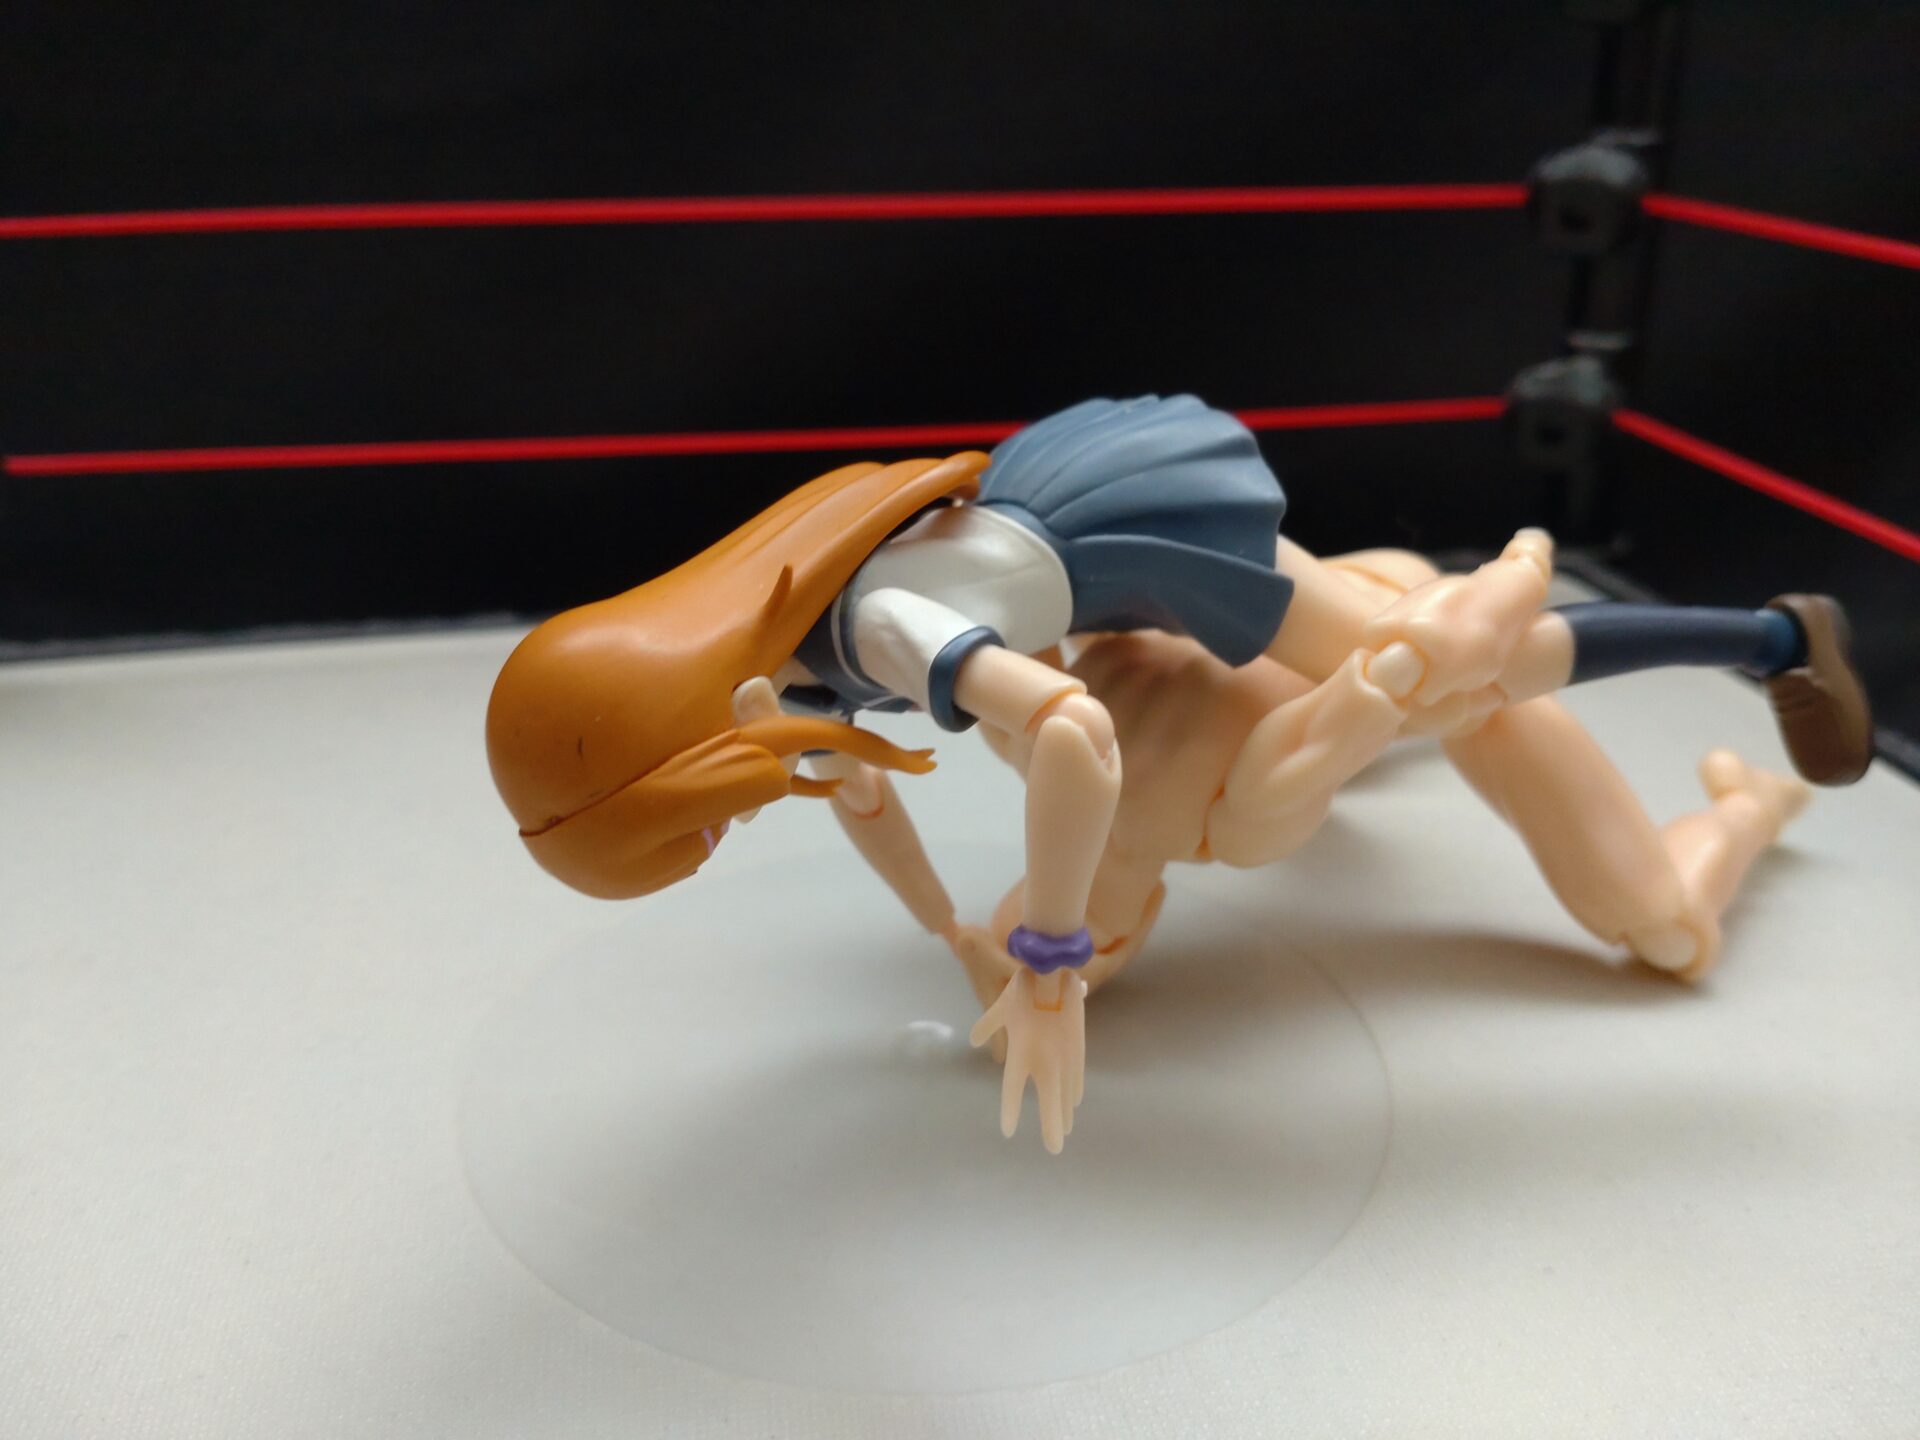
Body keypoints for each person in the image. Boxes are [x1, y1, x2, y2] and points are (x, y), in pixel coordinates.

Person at [487, 396, 1874, 1152]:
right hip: (1111, 584)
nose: (713, 838)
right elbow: (862, 789)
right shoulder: (771, 663)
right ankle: (1434, 605)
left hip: (1151, 535)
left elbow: (1072, 737)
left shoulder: (880, 631)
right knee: (1385, 661)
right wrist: (951, 929)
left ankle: (1761, 643)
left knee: (1446, 671)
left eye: (690, 831)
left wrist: (1041, 963)